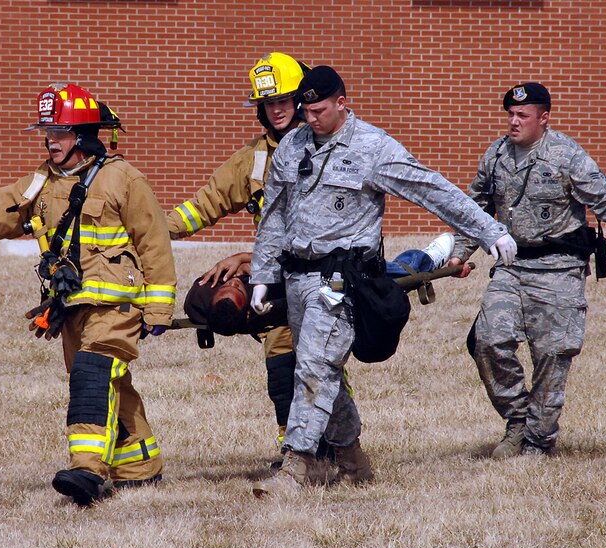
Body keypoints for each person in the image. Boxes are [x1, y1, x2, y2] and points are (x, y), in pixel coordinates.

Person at [0, 83, 176, 506]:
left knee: (92, 377)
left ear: (81, 137)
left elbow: (154, 243)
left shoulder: (124, 179)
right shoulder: (40, 183)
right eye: (46, 131)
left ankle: (87, 472)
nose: (49, 139)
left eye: (58, 132)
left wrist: (158, 307)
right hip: (70, 308)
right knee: (110, 384)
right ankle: (140, 466)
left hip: (116, 307)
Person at [248, 65, 516, 497]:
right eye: (306, 110)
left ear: (341, 103)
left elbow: (431, 189)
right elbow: (274, 216)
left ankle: (296, 465)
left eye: (319, 110)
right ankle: (353, 461)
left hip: (341, 282)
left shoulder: (373, 147)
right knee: (317, 366)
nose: (310, 118)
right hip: (296, 279)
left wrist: (490, 231)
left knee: (315, 364)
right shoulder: (292, 146)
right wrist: (262, 276)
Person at [449, 82, 606, 458]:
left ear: (543, 119)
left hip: (559, 270)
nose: (513, 122)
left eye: (522, 116)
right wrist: (460, 252)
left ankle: (539, 441)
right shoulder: (496, 155)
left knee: (552, 355)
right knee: (487, 340)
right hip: (511, 268)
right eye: (510, 115)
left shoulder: (565, 155)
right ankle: (517, 421)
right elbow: (475, 208)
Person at [166, 52, 313, 453]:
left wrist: (247, 260)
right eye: (269, 103)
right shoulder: (252, 161)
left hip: (319, 278)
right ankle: (294, 450)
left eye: (284, 99)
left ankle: (332, 443)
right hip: (278, 286)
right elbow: (205, 204)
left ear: (301, 99)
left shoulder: (326, 147)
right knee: (281, 369)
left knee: (318, 366)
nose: (277, 109)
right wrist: (153, 230)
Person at [185, 233, 456, 336]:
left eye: (227, 286)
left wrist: (238, 261)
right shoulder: (269, 305)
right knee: (384, 277)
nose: (233, 281)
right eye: (238, 290)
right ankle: (426, 260)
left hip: (307, 251)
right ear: (247, 311)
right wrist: (247, 262)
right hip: (316, 274)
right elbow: (288, 268)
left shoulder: (200, 296)